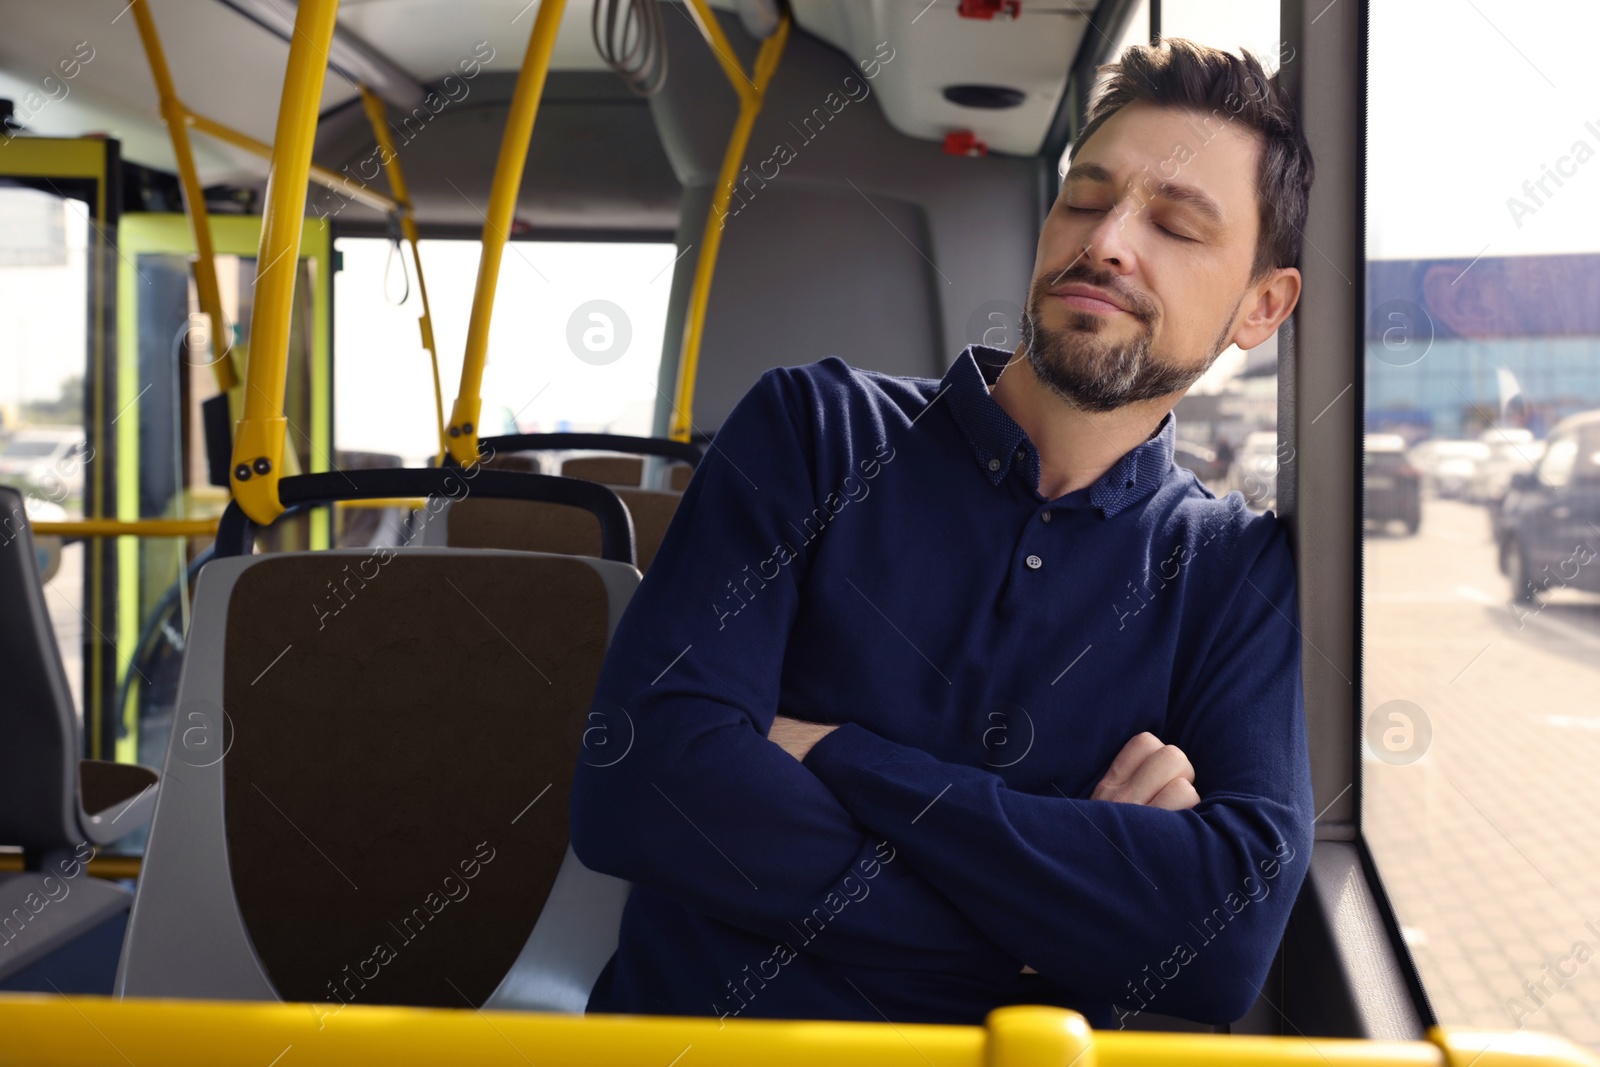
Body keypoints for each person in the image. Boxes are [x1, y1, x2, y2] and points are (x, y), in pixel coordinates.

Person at [570, 38, 1314, 1031]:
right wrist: (1059, 926)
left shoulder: (1233, 569)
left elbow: (1217, 946)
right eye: (1085, 199)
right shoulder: (812, 431)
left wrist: (837, 752)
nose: (1108, 242)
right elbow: (642, 781)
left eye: (1176, 224)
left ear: (1261, 306)